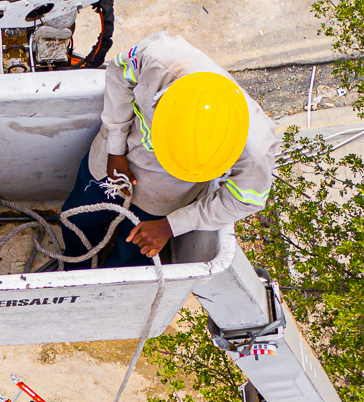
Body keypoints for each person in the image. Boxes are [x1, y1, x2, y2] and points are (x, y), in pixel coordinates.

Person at [60, 32, 272, 269]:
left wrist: (171, 225)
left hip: (164, 195)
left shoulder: (256, 148)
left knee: (131, 256)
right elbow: (119, 76)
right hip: (110, 162)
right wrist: (116, 149)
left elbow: (246, 200)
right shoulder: (160, 59)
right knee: (79, 219)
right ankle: (75, 265)